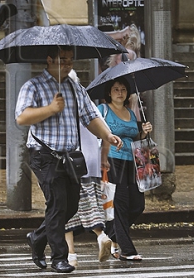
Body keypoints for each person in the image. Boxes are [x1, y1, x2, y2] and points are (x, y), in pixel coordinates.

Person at [16, 46, 123, 274]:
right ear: (49, 60)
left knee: (71, 205)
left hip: (70, 157)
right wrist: (50, 108)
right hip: (44, 155)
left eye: (70, 60)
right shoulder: (33, 86)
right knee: (57, 204)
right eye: (62, 60)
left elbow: (89, 117)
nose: (67, 64)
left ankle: (37, 237)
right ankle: (59, 258)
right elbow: (22, 117)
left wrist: (107, 135)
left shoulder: (75, 88)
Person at [98, 77, 153, 261]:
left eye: (122, 89)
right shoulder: (103, 110)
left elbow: (134, 137)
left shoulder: (130, 112)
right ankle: (127, 250)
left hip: (133, 161)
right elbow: (95, 132)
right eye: (115, 89)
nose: (120, 92)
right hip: (112, 160)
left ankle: (108, 235)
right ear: (109, 92)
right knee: (120, 203)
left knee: (138, 204)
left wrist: (143, 132)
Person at [63, 70, 113, 266]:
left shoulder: (63, 104)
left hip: (71, 162)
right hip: (90, 162)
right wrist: (103, 157)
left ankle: (72, 255)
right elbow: (106, 131)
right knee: (90, 203)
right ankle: (101, 236)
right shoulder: (89, 102)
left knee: (66, 209)